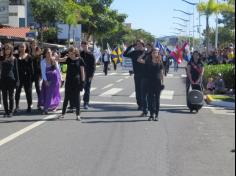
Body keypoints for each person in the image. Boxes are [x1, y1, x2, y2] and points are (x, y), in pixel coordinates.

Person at [58, 47, 85, 121]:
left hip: (77, 81)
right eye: (69, 53)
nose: (70, 54)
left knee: (77, 98)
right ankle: (63, 114)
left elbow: (82, 72)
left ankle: (78, 115)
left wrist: (82, 82)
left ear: (75, 53)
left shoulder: (80, 60)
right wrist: (60, 56)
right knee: (66, 98)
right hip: (69, 81)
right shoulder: (67, 59)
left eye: (72, 53)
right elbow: (59, 60)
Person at [138, 48, 164, 121]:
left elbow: (162, 74)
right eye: (153, 52)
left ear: (158, 53)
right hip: (149, 82)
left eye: (156, 52)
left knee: (157, 99)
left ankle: (157, 115)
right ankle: (151, 115)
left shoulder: (160, 62)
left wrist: (162, 83)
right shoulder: (147, 61)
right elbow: (139, 60)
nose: (155, 53)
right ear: (151, 53)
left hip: (157, 83)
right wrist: (144, 53)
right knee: (150, 99)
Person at [123, 40, 146, 110]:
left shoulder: (145, 53)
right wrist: (131, 46)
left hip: (145, 74)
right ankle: (139, 104)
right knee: (138, 90)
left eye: (140, 44)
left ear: (143, 45)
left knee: (144, 90)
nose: (138, 46)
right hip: (137, 74)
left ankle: (144, 104)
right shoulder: (134, 53)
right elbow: (125, 54)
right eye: (137, 44)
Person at [39, 48, 62, 115]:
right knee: (46, 93)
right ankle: (47, 106)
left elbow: (57, 69)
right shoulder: (43, 62)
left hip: (55, 79)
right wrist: (45, 81)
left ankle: (46, 109)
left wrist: (60, 79)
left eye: (50, 52)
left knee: (53, 93)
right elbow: (43, 73)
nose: (49, 54)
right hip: (47, 79)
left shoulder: (53, 60)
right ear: (45, 54)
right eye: (47, 53)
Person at [0, 43, 19, 117]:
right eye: (5, 49)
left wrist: (17, 81)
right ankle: (6, 111)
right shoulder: (1, 58)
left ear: (11, 50)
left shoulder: (14, 59)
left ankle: (11, 111)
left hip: (11, 79)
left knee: (11, 96)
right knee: (4, 96)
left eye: (8, 49)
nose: (7, 50)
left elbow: (16, 71)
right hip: (3, 79)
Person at [14, 43, 34, 114]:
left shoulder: (29, 57)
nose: (21, 48)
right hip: (18, 77)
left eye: (23, 47)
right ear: (18, 48)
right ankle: (16, 106)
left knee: (28, 92)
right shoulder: (15, 56)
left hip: (27, 77)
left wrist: (32, 78)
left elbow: (31, 68)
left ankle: (29, 106)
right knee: (17, 92)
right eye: (20, 47)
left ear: (26, 48)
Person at [80, 41, 96, 110]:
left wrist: (91, 75)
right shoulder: (80, 54)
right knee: (79, 88)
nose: (84, 47)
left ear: (88, 45)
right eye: (83, 46)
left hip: (88, 74)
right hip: (81, 74)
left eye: (85, 45)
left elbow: (93, 66)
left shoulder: (91, 55)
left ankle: (86, 102)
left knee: (87, 89)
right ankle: (74, 103)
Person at [30, 41, 42, 110]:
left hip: (37, 73)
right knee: (29, 89)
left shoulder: (39, 54)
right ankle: (30, 103)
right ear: (31, 45)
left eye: (35, 45)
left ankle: (39, 104)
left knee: (38, 88)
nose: (34, 46)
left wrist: (40, 74)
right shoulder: (28, 53)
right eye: (32, 44)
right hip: (30, 73)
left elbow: (40, 64)